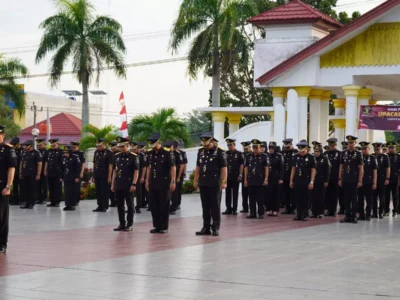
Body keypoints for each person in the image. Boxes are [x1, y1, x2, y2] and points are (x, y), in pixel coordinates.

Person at [194, 132, 226, 235]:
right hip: (203, 182)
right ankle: (206, 227)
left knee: (215, 206)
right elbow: (198, 166)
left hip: (215, 183)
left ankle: (215, 227)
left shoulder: (220, 152)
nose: (205, 146)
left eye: (207, 144)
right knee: (205, 206)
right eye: (204, 144)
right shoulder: (201, 151)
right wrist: (195, 180)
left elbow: (224, 169)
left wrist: (224, 181)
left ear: (212, 141)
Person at [146, 133, 176, 234]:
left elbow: (173, 167)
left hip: (164, 183)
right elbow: (149, 168)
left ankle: (164, 226)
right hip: (153, 182)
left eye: (154, 144)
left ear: (159, 142)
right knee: (154, 206)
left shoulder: (167, 153)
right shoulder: (150, 153)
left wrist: (173, 181)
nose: (153, 147)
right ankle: (157, 226)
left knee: (164, 205)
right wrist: (146, 180)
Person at [111, 137, 139, 232]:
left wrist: (134, 184)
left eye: (123, 146)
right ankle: (121, 223)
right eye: (120, 147)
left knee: (130, 205)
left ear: (128, 146)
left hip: (128, 184)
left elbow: (136, 171)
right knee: (120, 205)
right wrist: (112, 184)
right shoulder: (117, 156)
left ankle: (129, 224)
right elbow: (115, 171)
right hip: (119, 184)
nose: (121, 148)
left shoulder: (133, 156)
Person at [339, 136, 363, 224]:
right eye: (349, 143)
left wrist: (360, 180)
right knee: (346, 198)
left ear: (355, 143)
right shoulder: (344, 153)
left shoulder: (358, 154)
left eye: (352, 143)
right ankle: (347, 215)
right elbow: (341, 166)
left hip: (354, 179)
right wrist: (340, 178)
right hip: (346, 178)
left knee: (353, 198)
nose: (350, 144)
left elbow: (361, 168)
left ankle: (353, 216)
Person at [0, 126, 17, 254]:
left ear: (3, 135)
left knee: (2, 216)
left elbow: (11, 169)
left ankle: (2, 243)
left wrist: (8, 186)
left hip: (2, 187)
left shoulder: (7, 150)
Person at [290, 140, 316, 221]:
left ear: (306, 149)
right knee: (298, 198)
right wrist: (291, 180)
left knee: (305, 198)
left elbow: (313, 170)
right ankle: (299, 214)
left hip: (306, 180)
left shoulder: (311, 158)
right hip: (298, 180)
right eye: (300, 151)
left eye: (303, 151)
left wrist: (311, 182)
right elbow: (293, 169)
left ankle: (305, 214)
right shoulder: (296, 156)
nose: (301, 153)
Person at [244, 139, 269, 219]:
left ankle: (261, 213)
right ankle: (252, 213)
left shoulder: (264, 156)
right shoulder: (248, 156)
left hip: (260, 180)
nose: (255, 149)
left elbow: (266, 168)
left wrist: (266, 179)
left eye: (256, 147)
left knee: (260, 198)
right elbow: (246, 168)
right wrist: (245, 179)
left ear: (259, 147)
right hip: (251, 179)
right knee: (251, 198)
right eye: (253, 147)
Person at [222, 138, 244, 216]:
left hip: (235, 176)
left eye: (230, 145)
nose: (229, 146)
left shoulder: (239, 153)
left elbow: (241, 165)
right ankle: (228, 208)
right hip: (228, 177)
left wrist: (240, 174)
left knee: (235, 193)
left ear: (234, 145)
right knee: (227, 193)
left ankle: (234, 209)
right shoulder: (225, 153)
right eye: (228, 145)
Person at [19, 140, 42, 209]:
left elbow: (39, 164)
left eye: (27, 145)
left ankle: (31, 203)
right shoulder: (24, 152)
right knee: (26, 189)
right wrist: (20, 172)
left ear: (31, 145)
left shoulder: (36, 153)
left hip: (33, 174)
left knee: (32, 189)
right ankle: (27, 203)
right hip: (25, 173)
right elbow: (21, 163)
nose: (25, 147)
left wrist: (38, 174)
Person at [358, 142, 377, 221]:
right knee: (360, 200)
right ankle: (361, 215)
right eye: (362, 149)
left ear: (369, 149)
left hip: (369, 182)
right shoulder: (359, 158)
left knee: (369, 200)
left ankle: (368, 214)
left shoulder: (372, 158)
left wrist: (374, 183)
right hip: (360, 182)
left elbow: (375, 171)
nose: (363, 150)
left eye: (365, 149)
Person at [93, 139, 113, 212]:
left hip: (105, 175)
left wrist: (109, 176)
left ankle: (105, 206)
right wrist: (94, 174)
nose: (98, 147)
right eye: (97, 146)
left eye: (100, 145)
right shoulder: (96, 152)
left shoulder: (109, 153)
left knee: (104, 191)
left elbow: (110, 165)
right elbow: (95, 163)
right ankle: (100, 205)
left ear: (104, 144)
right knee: (98, 191)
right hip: (97, 174)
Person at [371, 142, 390, 219]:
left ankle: (381, 212)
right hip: (373, 180)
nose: (376, 150)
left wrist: (387, 178)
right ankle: (374, 213)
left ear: (381, 149)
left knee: (381, 196)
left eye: (378, 149)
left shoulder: (385, 157)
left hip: (382, 179)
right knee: (373, 197)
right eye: (375, 149)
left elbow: (388, 168)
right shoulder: (372, 156)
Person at [311, 143, 330, 218]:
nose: (316, 153)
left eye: (318, 151)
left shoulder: (324, 158)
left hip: (321, 181)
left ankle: (320, 212)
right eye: (315, 151)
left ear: (321, 151)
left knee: (321, 197)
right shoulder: (312, 158)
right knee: (313, 197)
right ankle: (314, 212)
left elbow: (327, 171)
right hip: (314, 180)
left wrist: (326, 181)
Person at [325, 138, 341, 217]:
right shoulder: (326, 154)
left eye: (332, 145)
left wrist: (340, 177)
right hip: (327, 177)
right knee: (328, 194)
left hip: (335, 177)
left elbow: (341, 167)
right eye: (330, 145)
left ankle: (333, 210)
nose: (331, 147)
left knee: (334, 195)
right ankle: (328, 209)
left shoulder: (339, 154)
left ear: (335, 145)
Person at [45, 138, 64, 207]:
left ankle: (57, 202)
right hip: (50, 172)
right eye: (52, 145)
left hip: (57, 172)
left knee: (57, 187)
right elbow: (47, 161)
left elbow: (62, 163)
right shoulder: (49, 151)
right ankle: (52, 201)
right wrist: (45, 170)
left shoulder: (61, 151)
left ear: (57, 144)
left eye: (54, 145)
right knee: (51, 187)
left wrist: (62, 173)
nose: (52, 146)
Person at [61, 146, 81, 211]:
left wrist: (77, 177)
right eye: (65, 153)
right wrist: (61, 176)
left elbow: (78, 168)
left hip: (73, 178)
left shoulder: (75, 157)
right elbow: (62, 168)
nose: (65, 154)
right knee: (67, 192)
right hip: (66, 177)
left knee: (72, 191)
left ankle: (72, 205)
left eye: (67, 153)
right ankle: (67, 205)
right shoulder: (64, 158)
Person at [282, 138, 298, 215]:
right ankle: (287, 208)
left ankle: (293, 208)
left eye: (288, 146)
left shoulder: (296, 152)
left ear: (291, 145)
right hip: (285, 176)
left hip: (294, 177)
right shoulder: (283, 153)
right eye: (286, 146)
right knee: (286, 193)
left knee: (293, 193)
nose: (287, 148)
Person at [266, 142, 283, 217]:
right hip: (269, 177)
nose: (271, 149)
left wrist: (281, 178)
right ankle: (269, 209)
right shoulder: (267, 156)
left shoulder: (279, 156)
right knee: (269, 194)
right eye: (270, 148)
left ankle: (275, 210)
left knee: (276, 194)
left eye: (272, 148)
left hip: (276, 177)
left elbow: (282, 168)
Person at [130, 141, 146, 214]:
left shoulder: (142, 155)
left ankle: (138, 207)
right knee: (130, 193)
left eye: (134, 149)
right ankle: (131, 207)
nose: (133, 150)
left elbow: (144, 167)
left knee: (139, 193)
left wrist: (142, 177)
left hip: (139, 176)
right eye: (132, 148)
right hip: (130, 177)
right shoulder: (130, 155)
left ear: (138, 148)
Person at [169, 141, 184, 215]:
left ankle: (174, 207)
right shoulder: (168, 153)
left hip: (177, 174)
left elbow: (181, 166)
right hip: (169, 175)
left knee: (176, 192)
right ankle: (171, 206)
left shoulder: (178, 154)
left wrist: (178, 177)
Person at [385, 141, 399, 217]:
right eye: (389, 148)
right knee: (386, 195)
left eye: (392, 148)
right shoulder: (385, 156)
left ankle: (395, 210)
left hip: (395, 179)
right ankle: (386, 210)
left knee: (395, 196)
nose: (390, 149)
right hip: (387, 179)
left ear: (395, 148)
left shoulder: (398, 156)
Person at [70, 141, 85, 207]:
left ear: (78, 146)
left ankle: (76, 201)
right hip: (71, 173)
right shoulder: (71, 153)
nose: (73, 148)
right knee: (71, 187)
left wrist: (81, 172)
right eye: (72, 147)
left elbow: (83, 163)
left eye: (74, 147)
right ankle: (72, 200)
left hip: (78, 172)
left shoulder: (81, 153)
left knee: (76, 187)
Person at [175, 141, 187, 211]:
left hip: (180, 173)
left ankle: (178, 203)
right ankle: (174, 202)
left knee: (178, 189)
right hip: (174, 174)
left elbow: (184, 163)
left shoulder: (182, 153)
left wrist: (184, 173)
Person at [9, 138, 21, 206]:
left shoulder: (22, 151)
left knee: (22, 187)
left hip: (20, 172)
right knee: (15, 187)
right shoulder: (12, 150)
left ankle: (22, 200)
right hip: (14, 172)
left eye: (14, 144)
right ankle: (15, 200)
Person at [240, 141, 252, 213]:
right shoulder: (242, 155)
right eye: (244, 148)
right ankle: (245, 208)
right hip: (244, 175)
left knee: (251, 194)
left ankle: (252, 208)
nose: (245, 150)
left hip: (250, 176)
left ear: (250, 147)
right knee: (244, 193)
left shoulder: (252, 155)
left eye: (246, 148)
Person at [338, 141, 349, 215]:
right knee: (341, 194)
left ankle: (348, 208)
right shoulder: (341, 155)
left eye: (345, 147)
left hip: (348, 177)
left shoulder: (349, 155)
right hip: (341, 177)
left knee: (348, 195)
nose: (344, 149)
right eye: (343, 148)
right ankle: (342, 208)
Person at [36, 139, 48, 205]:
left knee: (44, 186)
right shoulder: (37, 152)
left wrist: (45, 170)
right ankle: (39, 198)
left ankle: (44, 198)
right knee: (38, 186)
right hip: (38, 171)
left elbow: (46, 161)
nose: (39, 146)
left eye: (40, 145)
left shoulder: (46, 151)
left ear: (43, 144)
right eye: (38, 145)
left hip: (43, 171)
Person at [109, 140, 119, 207]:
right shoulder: (110, 153)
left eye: (113, 145)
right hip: (111, 172)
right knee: (110, 188)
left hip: (117, 173)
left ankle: (116, 201)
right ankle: (112, 202)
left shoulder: (118, 153)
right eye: (111, 145)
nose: (112, 147)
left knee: (116, 188)